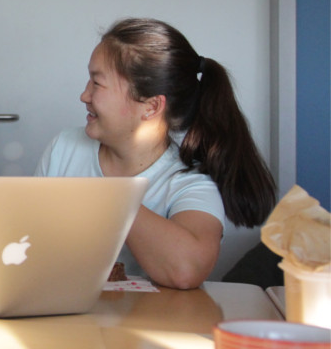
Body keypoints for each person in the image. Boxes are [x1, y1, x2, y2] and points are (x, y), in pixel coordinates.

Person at [36, 18, 277, 289]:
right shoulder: (64, 147)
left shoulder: (188, 181)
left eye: (97, 83)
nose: (84, 95)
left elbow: (186, 270)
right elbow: (28, 240)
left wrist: (110, 198)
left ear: (150, 107)